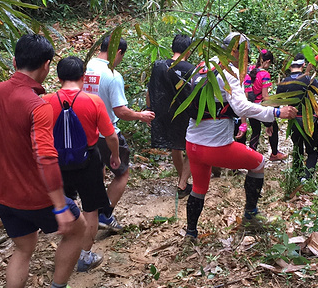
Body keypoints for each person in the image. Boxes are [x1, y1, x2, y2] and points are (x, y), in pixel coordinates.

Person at [0, 33, 88, 288]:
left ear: (14, 60)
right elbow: (46, 157)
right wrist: (60, 204)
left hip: (3, 193)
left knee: (23, 248)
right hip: (36, 195)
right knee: (79, 229)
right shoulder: (37, 106)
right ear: (47, 66)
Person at [184, 33, 297, 241]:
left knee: (199, 188)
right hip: (215, 146)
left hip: (192, 142)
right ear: (237, 51)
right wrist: (276, 113)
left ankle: (190, 232)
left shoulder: (204, 64)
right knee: (259, 162)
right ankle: (251, 215)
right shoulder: (230, 71)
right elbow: (240, 106)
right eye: (245, 52)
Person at [45, 56, 121, 273]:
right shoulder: (93, 101)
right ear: (83, 77)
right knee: (91, 209)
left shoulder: (46, 102)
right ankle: (85, 255)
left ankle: (67, 247)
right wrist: (114, 156)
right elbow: (110, 136)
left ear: (58, 77)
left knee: (65, 204)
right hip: (88, 161)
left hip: (57, 162)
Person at [84, 35, 155, 231]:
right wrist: (141, 115)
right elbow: (120, 111)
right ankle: (105, 214)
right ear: (118, 52)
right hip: (106, 133)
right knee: (122, 173)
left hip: (83, 132)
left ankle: (91, 211)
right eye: (122, 56)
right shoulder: (112, 75)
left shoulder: (83, 67)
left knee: (98, 170)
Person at [147, 34, 195, 198]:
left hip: (166, 114)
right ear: (187, 50)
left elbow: (151, 90)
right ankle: (182, 183)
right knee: (191, 147)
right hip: (186, 113)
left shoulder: (159, 66)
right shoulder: (192, 69)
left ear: (172, 47)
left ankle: (182, 181)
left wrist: (149, 109)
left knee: (176, 146)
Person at [244, 50, 286, 161]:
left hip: (250, 106)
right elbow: (265, 96)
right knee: (273, 128)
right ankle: (274, 153)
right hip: (260, 107)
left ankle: (251, 156)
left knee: (255, 131)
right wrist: (276, 104)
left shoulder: (250, 69)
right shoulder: (265, 75)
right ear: (267, 61)